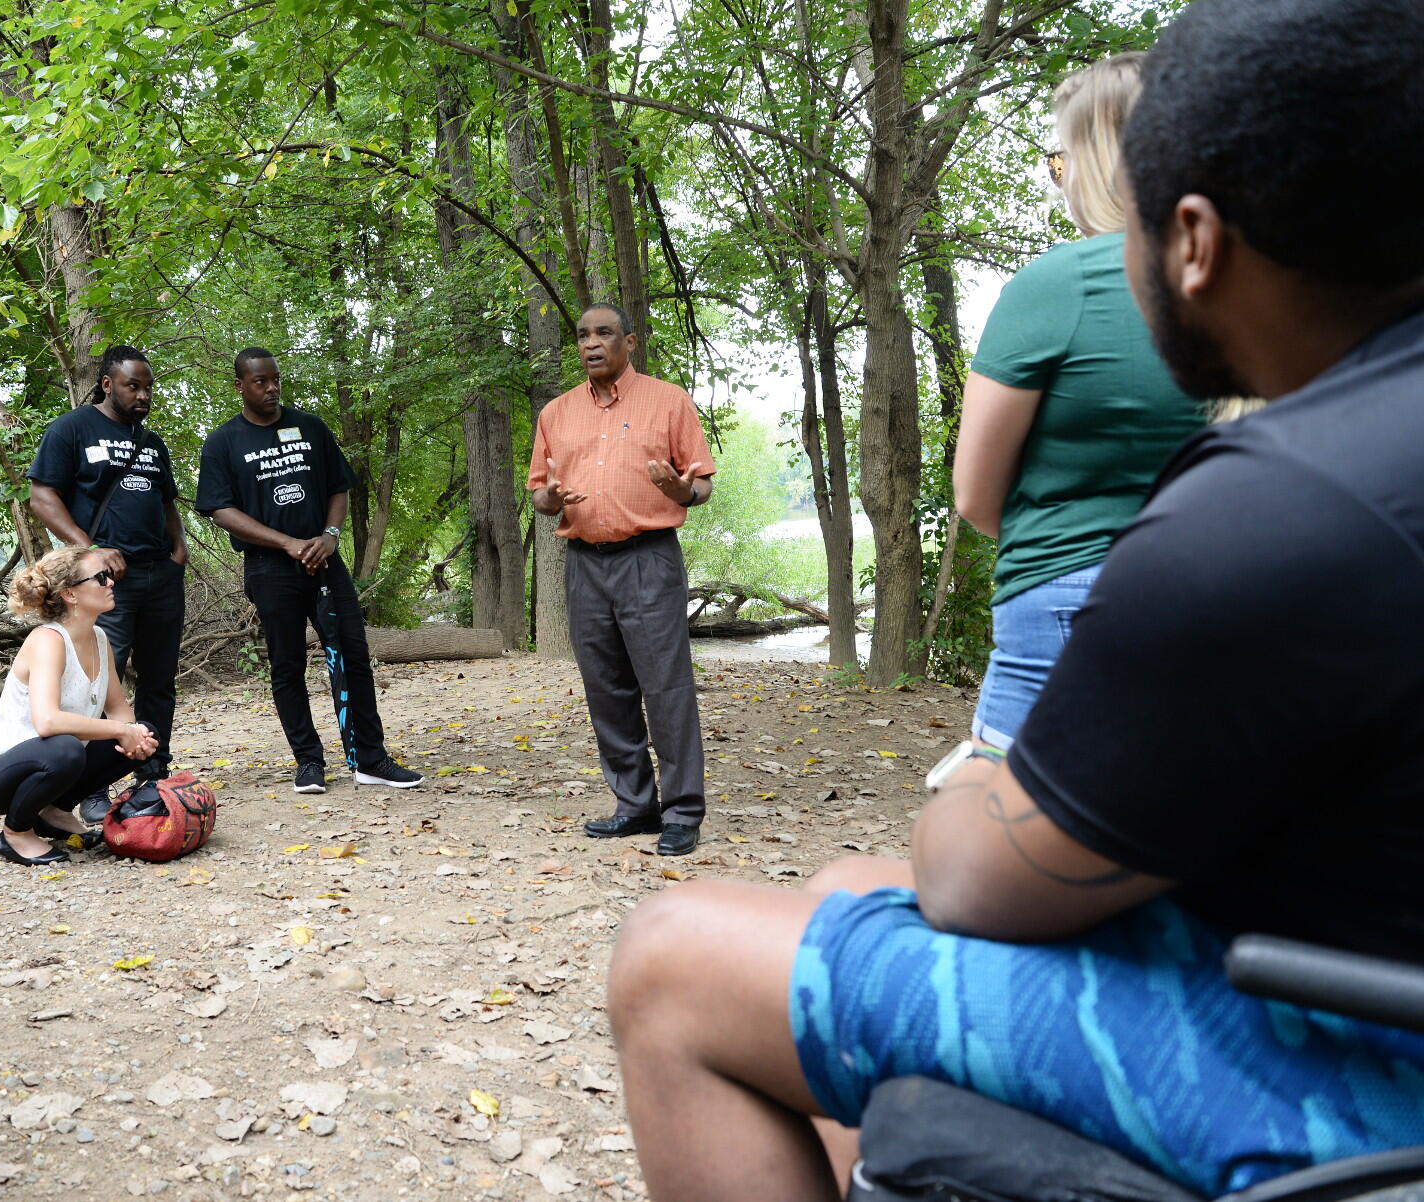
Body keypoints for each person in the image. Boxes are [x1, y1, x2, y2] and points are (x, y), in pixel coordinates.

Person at [605, 2, 1424, 1198]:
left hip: (1347, 1065)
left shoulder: (1272, 509)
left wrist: (987, 770)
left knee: (669, 958)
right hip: (1357, 954)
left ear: (1191, 239)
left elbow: (973, 878)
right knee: (840, 886)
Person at [951, 53, 1203, 753]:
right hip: (1231, 593)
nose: (1059, 182)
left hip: (1070, 599)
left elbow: (975, 496)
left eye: (1060, 161)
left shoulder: (1058, 283)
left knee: (997, 840)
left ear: (1097, 162)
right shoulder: (1255, 281)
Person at [526, 304, 717, 857]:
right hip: (584, 564)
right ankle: (634, 805)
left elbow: (701, 482)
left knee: (666, 686)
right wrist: (551, 499)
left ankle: (682, 812)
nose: (591, 343)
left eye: (604, 333)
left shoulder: (668, 401)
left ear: (628, 342)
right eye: (583, 335)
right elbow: (540, 493)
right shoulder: (557, 413)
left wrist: (681, 492)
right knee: (606, 689)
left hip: (648, 558)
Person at [194, 348, 421, 793]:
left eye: (275, 379)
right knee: (287, 665)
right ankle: (308, 762)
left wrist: (331, 535)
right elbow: (219, 509)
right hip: (269, 569)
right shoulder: (224, 442)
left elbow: (338, 486)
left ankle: (370, 759)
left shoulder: (310, 428)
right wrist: (286, 543)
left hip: (325, 563)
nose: (271, 387)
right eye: (260, 381)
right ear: (240, 386)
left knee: (354, 655)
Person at [29, 344, 187, 824]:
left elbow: (166, 503)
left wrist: (179, 549)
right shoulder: (71, 428)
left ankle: (153, 769)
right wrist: (89, 550)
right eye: (132, 386)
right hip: (104, 581)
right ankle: (93, 785)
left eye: (147, 387)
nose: (142, 395)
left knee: (159, 679)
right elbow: (41, 496)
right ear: (107, 384)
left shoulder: (152, 442)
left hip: (160, 574)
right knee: (101, 681)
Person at [0, 547, 160, 864]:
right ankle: (15, 834)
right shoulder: (48, 640)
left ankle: (53, 812)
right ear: (71, 594)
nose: (111, 583)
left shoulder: (98, 637)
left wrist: (134, 735)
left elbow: (119, 708)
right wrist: (120, 729)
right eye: (101, 577)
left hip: (54, 761)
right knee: (66, 747)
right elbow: (47, 722)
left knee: (142, 731)